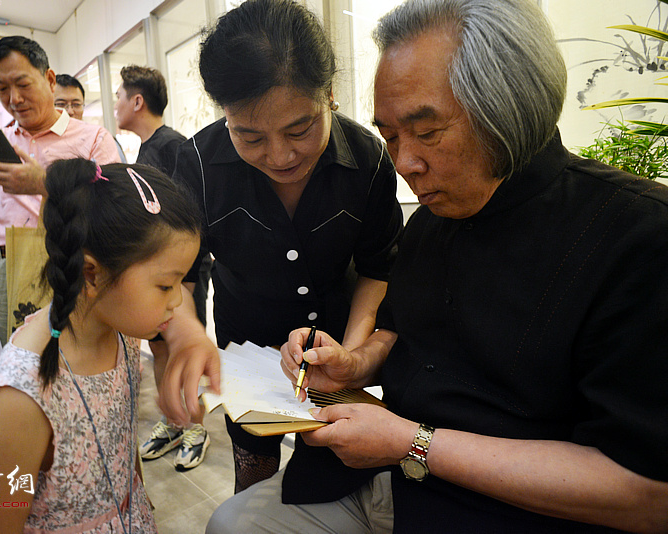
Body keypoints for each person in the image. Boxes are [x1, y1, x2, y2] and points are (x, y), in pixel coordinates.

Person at [207, 0, 668, 532]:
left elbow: (648, 491)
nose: (404, 164)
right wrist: (356, 363)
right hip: (378, 477)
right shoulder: (430, 222)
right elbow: (401, 330)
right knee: (231, 523)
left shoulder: (635, 237)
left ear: (509, 107)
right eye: (391, 136)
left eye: (426, 133)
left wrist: (414, 442)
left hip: (500, 508)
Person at [159, 0, 403, 496]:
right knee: (253, 472)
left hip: (338, 336)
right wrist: (185, 333)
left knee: (341, 472)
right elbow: (179, 271)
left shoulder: (369, 159)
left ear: (329, 95)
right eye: (249, 136)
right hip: (244, 344)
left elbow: (379, 268)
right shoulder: (199, 163)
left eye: (300, 129)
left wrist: (352, 356)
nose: (279, 155)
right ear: (225, 115)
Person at [0, 160, 201, 533]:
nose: (176, 301)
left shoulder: (120, 330)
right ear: (92, 273)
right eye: (167, 286)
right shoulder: (22, 397)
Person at [0, 36, 121, 344]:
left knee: (76, 350)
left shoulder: (94, 137)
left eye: (22, 84)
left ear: (49, 79)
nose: (14, 98)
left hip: (70, 258)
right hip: (6, 265)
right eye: (1, 88)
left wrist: (43, 183)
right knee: (21, 355)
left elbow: (113, 204)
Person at [114, 64, 214, 469]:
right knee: (158, 348)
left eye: (119, 96)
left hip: (182, 276)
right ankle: (174, 420)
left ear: (138, 101)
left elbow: (191, 222)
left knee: (184, 348)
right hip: (153, 277)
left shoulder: (174, 146)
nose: (116, 104)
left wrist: (183, 285)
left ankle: (196, 427)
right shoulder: (146, 149)